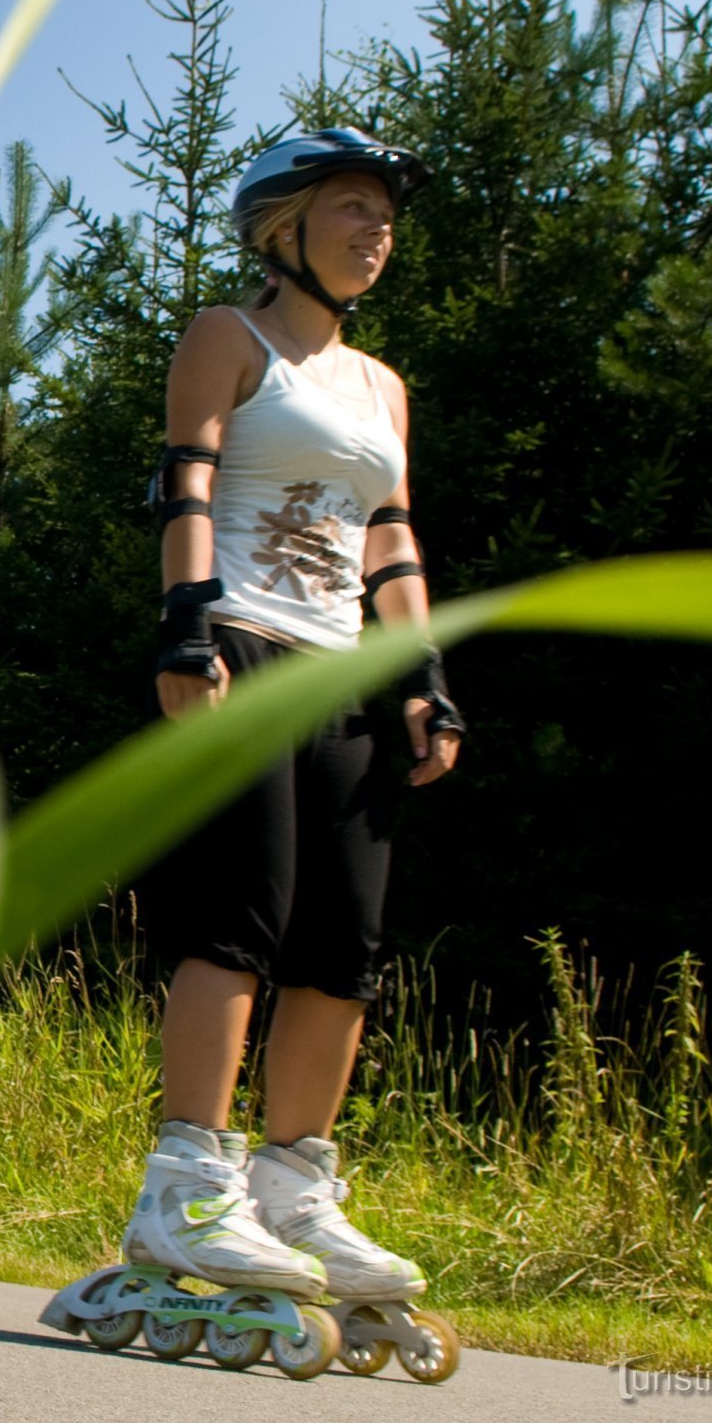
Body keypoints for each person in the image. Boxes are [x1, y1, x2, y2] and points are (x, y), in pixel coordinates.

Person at [99, 129, 467, 1349]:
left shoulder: (382, 388)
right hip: (245, 643)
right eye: (353, 210)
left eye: (386, 218)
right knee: (239, 917)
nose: (377, 234)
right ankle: (184, 1189)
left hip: (345, 675)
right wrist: (182, 634)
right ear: (282, 227)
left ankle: (292, 1192)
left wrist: (422, 676)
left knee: (343, 945)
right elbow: (185, 482)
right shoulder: (228, 337)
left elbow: (390, 542)